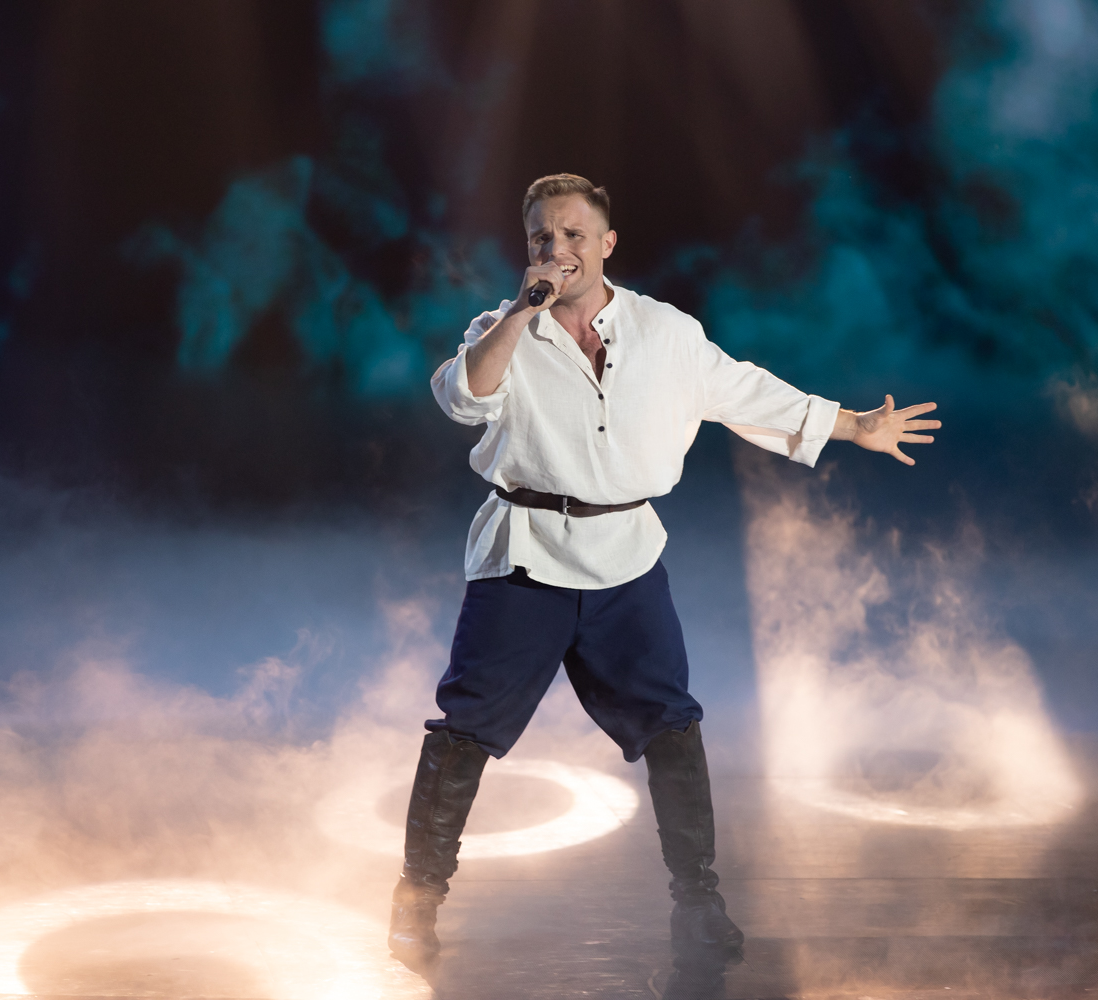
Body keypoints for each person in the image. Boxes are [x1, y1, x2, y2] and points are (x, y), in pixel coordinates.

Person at [390, 174, 940, 993]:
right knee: (465, 729)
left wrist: (852, 424)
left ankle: (699, 906)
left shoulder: (665, 332)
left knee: (673, 729)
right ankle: (418, 899)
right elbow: (463, 397)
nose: (558, 251)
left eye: (574, 236)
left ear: (607, 244)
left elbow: (744, 389)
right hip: (525, 556)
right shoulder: (500, 329)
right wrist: (521, 313)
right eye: (542, 238)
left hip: (626, 561)